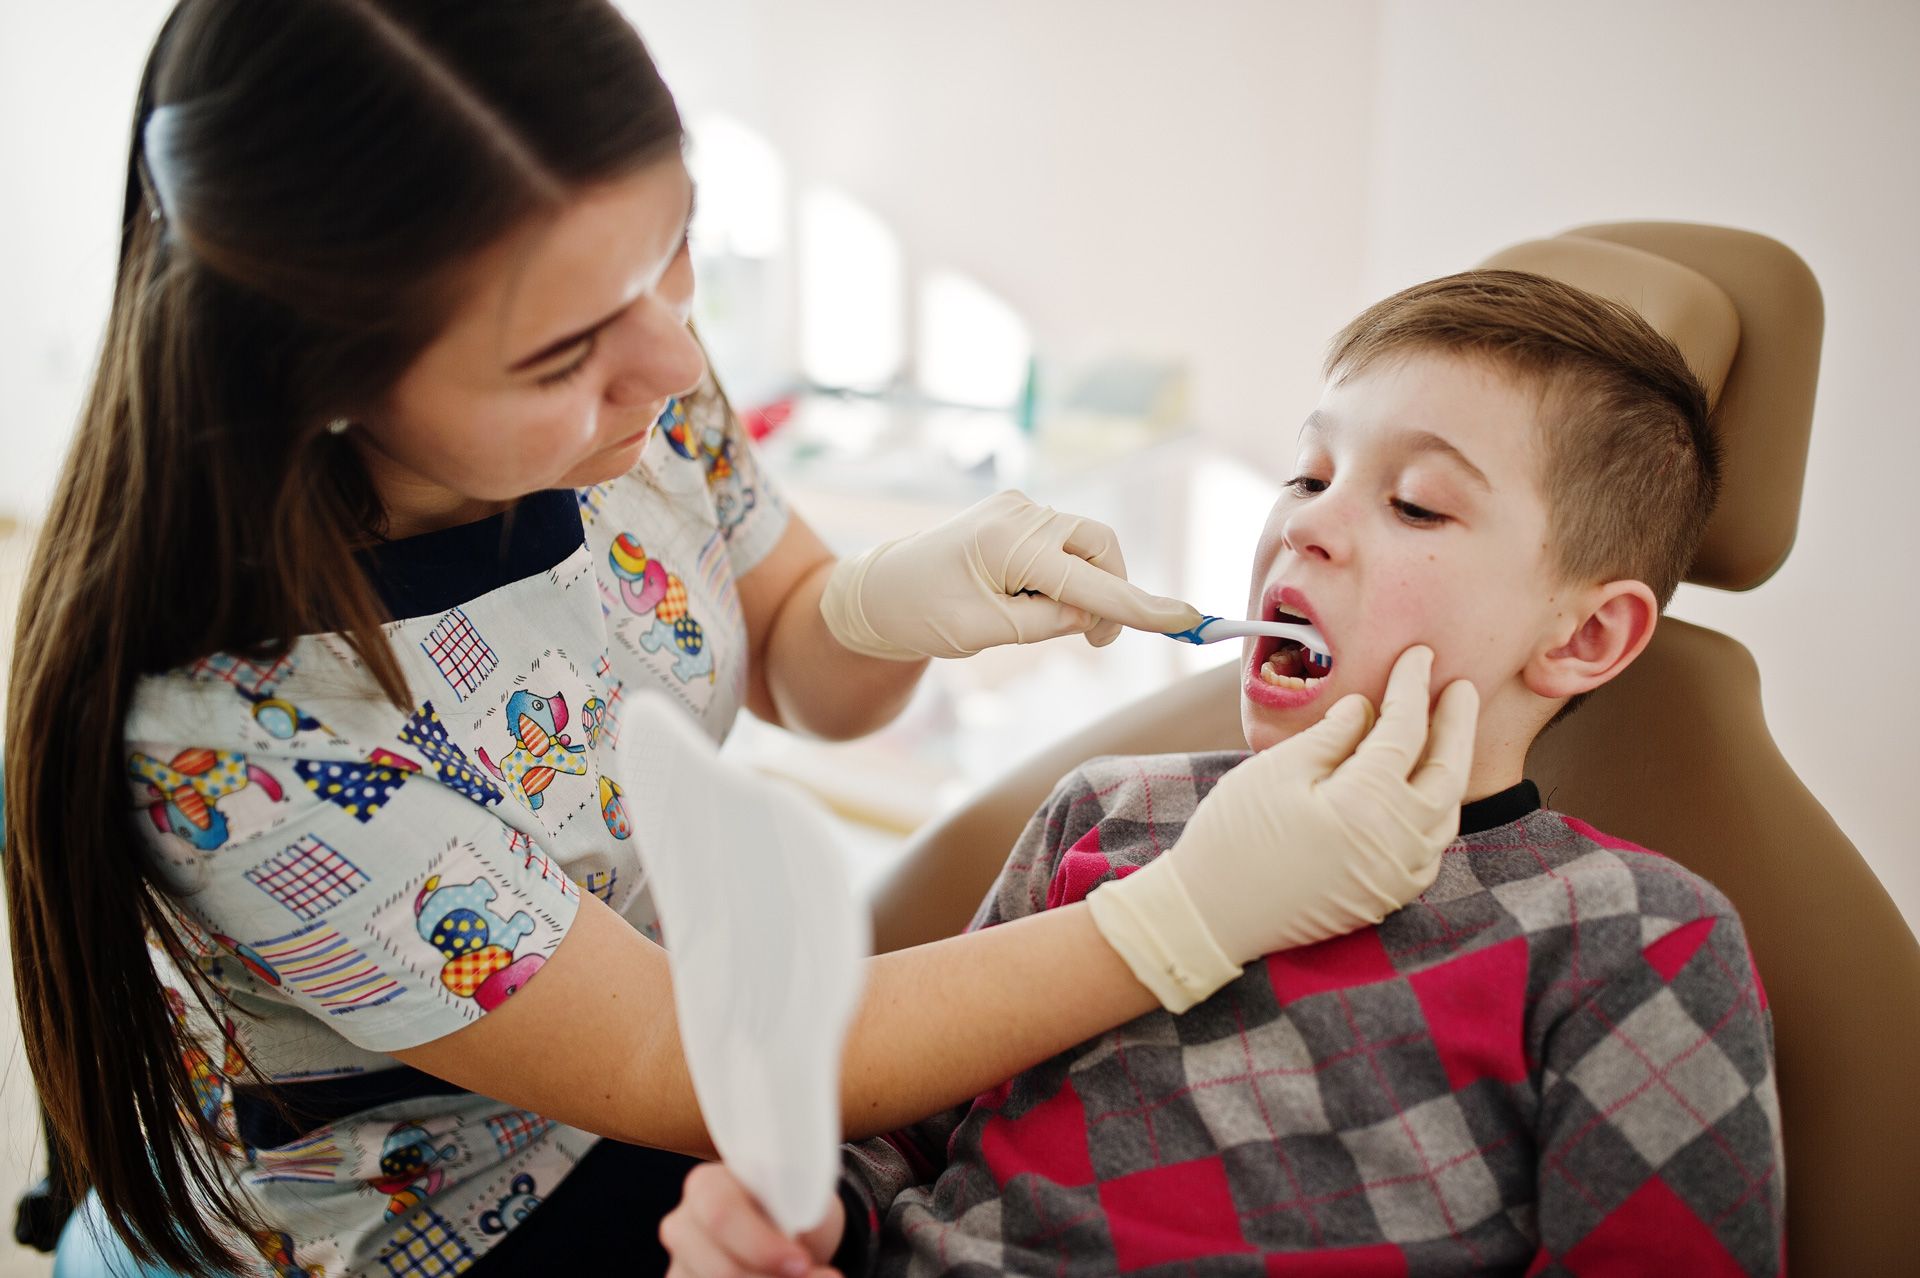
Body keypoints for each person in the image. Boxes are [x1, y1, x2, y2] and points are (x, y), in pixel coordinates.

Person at [0, 3, 1480, 1275]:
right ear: (324, 373)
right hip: (444, 1217)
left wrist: (885, 602)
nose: (670, 356)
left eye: (677, 253)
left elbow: (794, 659)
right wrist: (1188, 915)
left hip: (678, 1059)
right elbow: (674, 1057)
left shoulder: (639, 388)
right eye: (565, 350)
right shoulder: (241, 744)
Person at [661, 270, 1786, 1276]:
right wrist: (809, 1221)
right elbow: (905, 1134)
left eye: (1415, 503)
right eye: (1307, 475)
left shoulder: (1634, 937)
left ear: (1585, 639)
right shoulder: (1108, 811)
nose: (1309, 525)